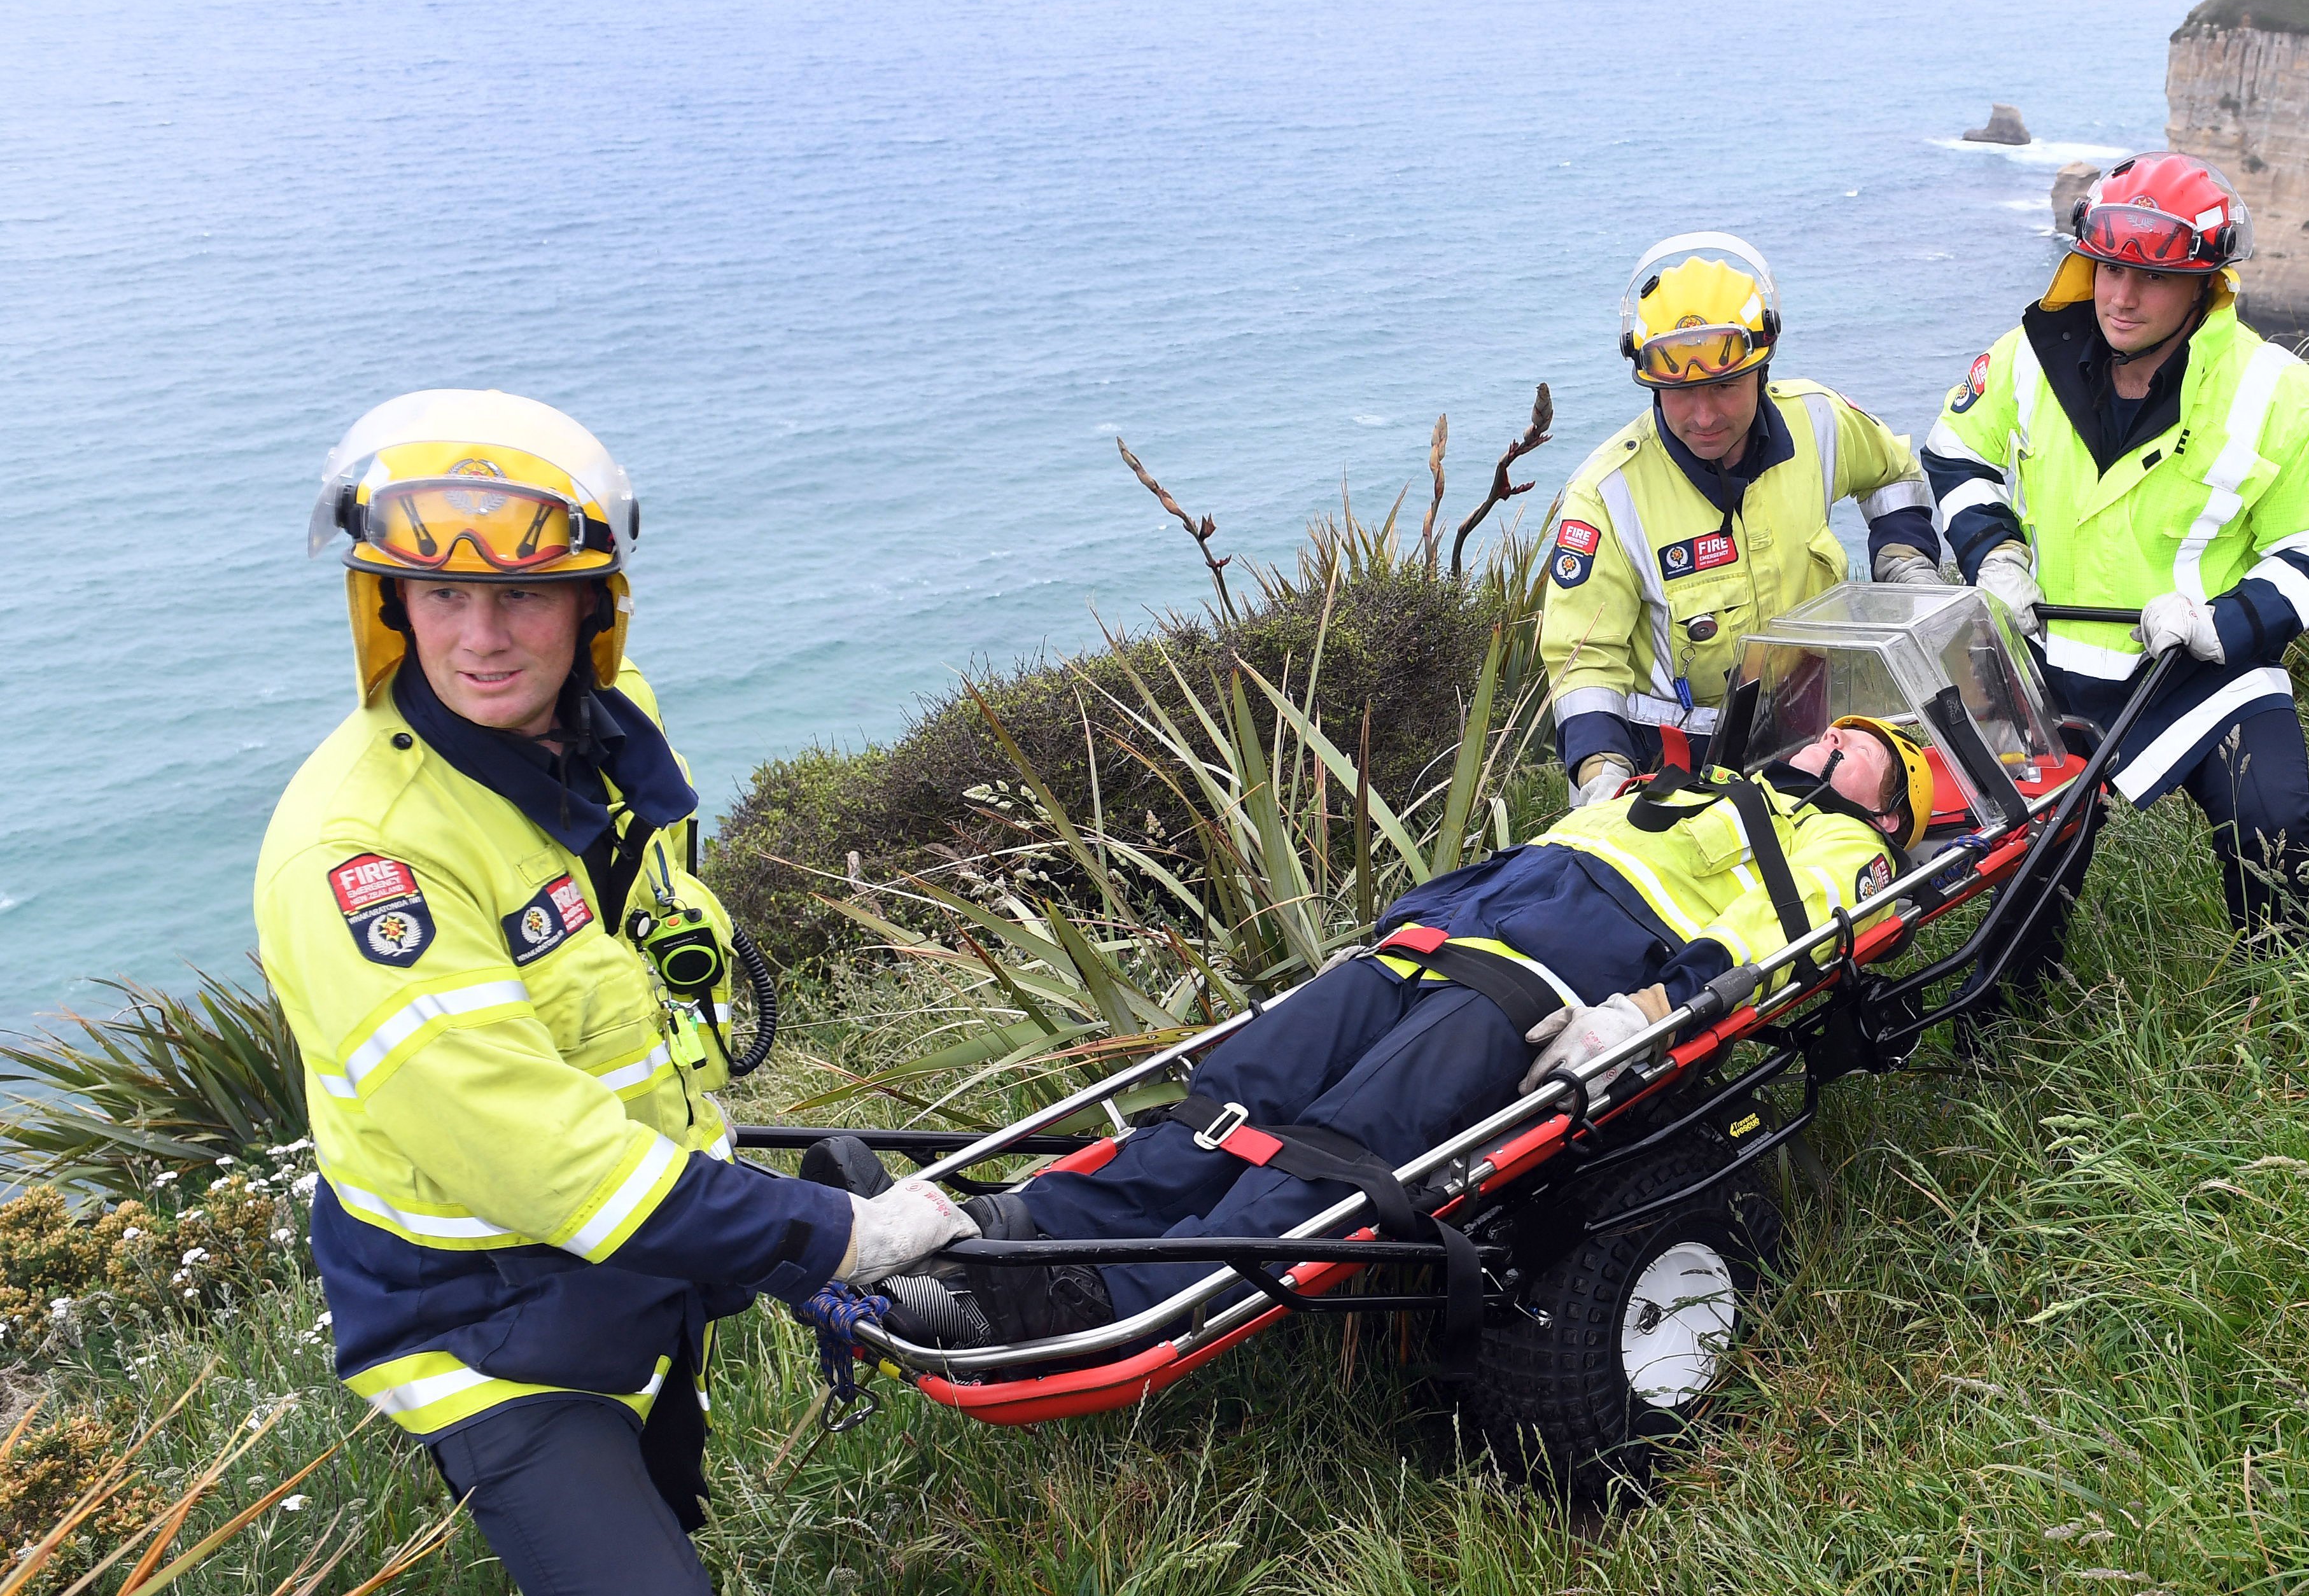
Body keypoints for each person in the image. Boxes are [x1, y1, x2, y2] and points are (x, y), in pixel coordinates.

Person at [254, 390, 976, 1596]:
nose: (481, 636)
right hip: (484, 1327)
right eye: (442, 595)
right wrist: (830, 1238)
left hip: (630, 1267)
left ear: (592, 606)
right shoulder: (363, 860)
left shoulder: (609, 739)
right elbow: (527, 1151)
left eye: (521, 594)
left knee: (664, 1503)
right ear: (389, 605)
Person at [859, 717, 1936, 1348]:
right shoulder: (1691, 786)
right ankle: (1029, 1227)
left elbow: (1782, 939)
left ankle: (1110, 1298)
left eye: (1857, 749)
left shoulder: (1844, 848)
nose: (1827, 734)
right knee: (1231, 1093)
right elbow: (1542, 853)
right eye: (1831, 725)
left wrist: (1646, 1013)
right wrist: (1400, 925)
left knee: (1343, 1138)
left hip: (1537, 992)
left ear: (1890, 811)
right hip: (1429, 947)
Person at [1921, 153, 2309, 964]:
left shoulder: (2280, 391)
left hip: (2201, 665)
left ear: (2205, 285)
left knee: (2277, 822)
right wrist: (1995, 556)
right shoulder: (2028, 355)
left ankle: (2300, 1014)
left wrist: (2220, 622)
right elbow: (1955, 453)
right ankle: (2004, 1037)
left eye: (2152, 279)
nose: (2121, 297)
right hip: (2046, 661)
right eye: (2109, 268)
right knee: (2026, 861)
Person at [1543, 232, 1942, 808]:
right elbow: (1583, 662)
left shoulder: (1819, 423)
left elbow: (1895, 472)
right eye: (1679, 393)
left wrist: (1906, 564)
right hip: (1675, 768)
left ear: (1763, 366)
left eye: (1726, 386)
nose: (1704, 416)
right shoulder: (1607, 496)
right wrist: (1602, 775)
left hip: (1811, 741)